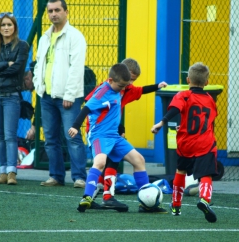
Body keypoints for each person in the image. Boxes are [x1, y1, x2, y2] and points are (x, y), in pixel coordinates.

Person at [69, 63, 165, 213]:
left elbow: (134, 93)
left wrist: (157, 86)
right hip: (99, 136)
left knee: (139, 160)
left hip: (114, 136)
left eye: (126, 85)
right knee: (100, 162)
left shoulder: (120, 88)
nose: (124, 88)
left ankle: (146, 202)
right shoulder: (102, 92)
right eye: (121, 85)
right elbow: (87, 108)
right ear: (111, 80)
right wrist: (75, 126)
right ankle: (86, 197)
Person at [151, 62, 219, 223]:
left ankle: (176, 205)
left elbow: (174, 109)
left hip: (185, 143)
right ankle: (204, 200)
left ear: (188, 80)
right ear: (207, 82)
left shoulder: (183, 95)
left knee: (180, 171)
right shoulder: (210, 100)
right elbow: (208, 121)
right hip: (204, 143)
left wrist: (161, 123)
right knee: (206, 175)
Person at [33, 0, 87, 188]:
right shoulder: (44, 38)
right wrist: (37, 85)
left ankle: (79, 177)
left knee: (72, 136)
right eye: (50, 11)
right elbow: (40, 64)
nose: (53, 14)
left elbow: (76, 68)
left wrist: (69, 95)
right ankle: (56, 176)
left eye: (57, 10)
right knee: (50, 139)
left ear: (66, 12)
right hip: (46, 95)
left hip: (67, 97)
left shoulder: (75, 36)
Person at [0, 12, 29, 185]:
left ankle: (12, 173)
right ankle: (2, 172)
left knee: (10, 136)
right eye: (3, 25)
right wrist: (4, 64)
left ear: (14, 27)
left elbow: (16, 69)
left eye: (9, 25)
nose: (6, 28)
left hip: (11, 96)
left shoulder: (22, 46)